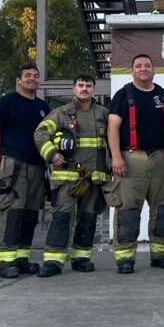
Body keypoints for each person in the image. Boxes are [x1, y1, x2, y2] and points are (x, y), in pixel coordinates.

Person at [106, 54, 164, 273]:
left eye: (147, 65)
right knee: (128, 210)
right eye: (138, 66)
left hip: (161, 158)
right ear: (132, 71)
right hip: (131, 159)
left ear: (153, 70)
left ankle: (160, 255)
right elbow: (113, 128)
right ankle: (125, 258)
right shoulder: (123, 95)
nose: (143, 69)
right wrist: (116, 157)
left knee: (163, 209)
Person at [34, 74, 109, 276]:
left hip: (93, 178)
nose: (84, 89)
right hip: (67, 177)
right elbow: (40, 133)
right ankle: (53, 261)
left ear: (94, 89)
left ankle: (81, 258)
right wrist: (51, 154)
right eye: (80, 85)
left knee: (88, 219)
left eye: (88, 86)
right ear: (74, 89)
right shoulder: (61, 113)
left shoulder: (104, 113)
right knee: (61, 217)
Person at [0, 65, 50, 278]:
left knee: (31, 213)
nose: (32, 79)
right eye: (28, 76)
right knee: (12, 210)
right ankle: (4, 261)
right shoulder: (8, 102)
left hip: (36, 165)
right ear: (18, 80)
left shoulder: (43, 107)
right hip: (14, 164)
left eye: (36, 76)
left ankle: (21, 258)